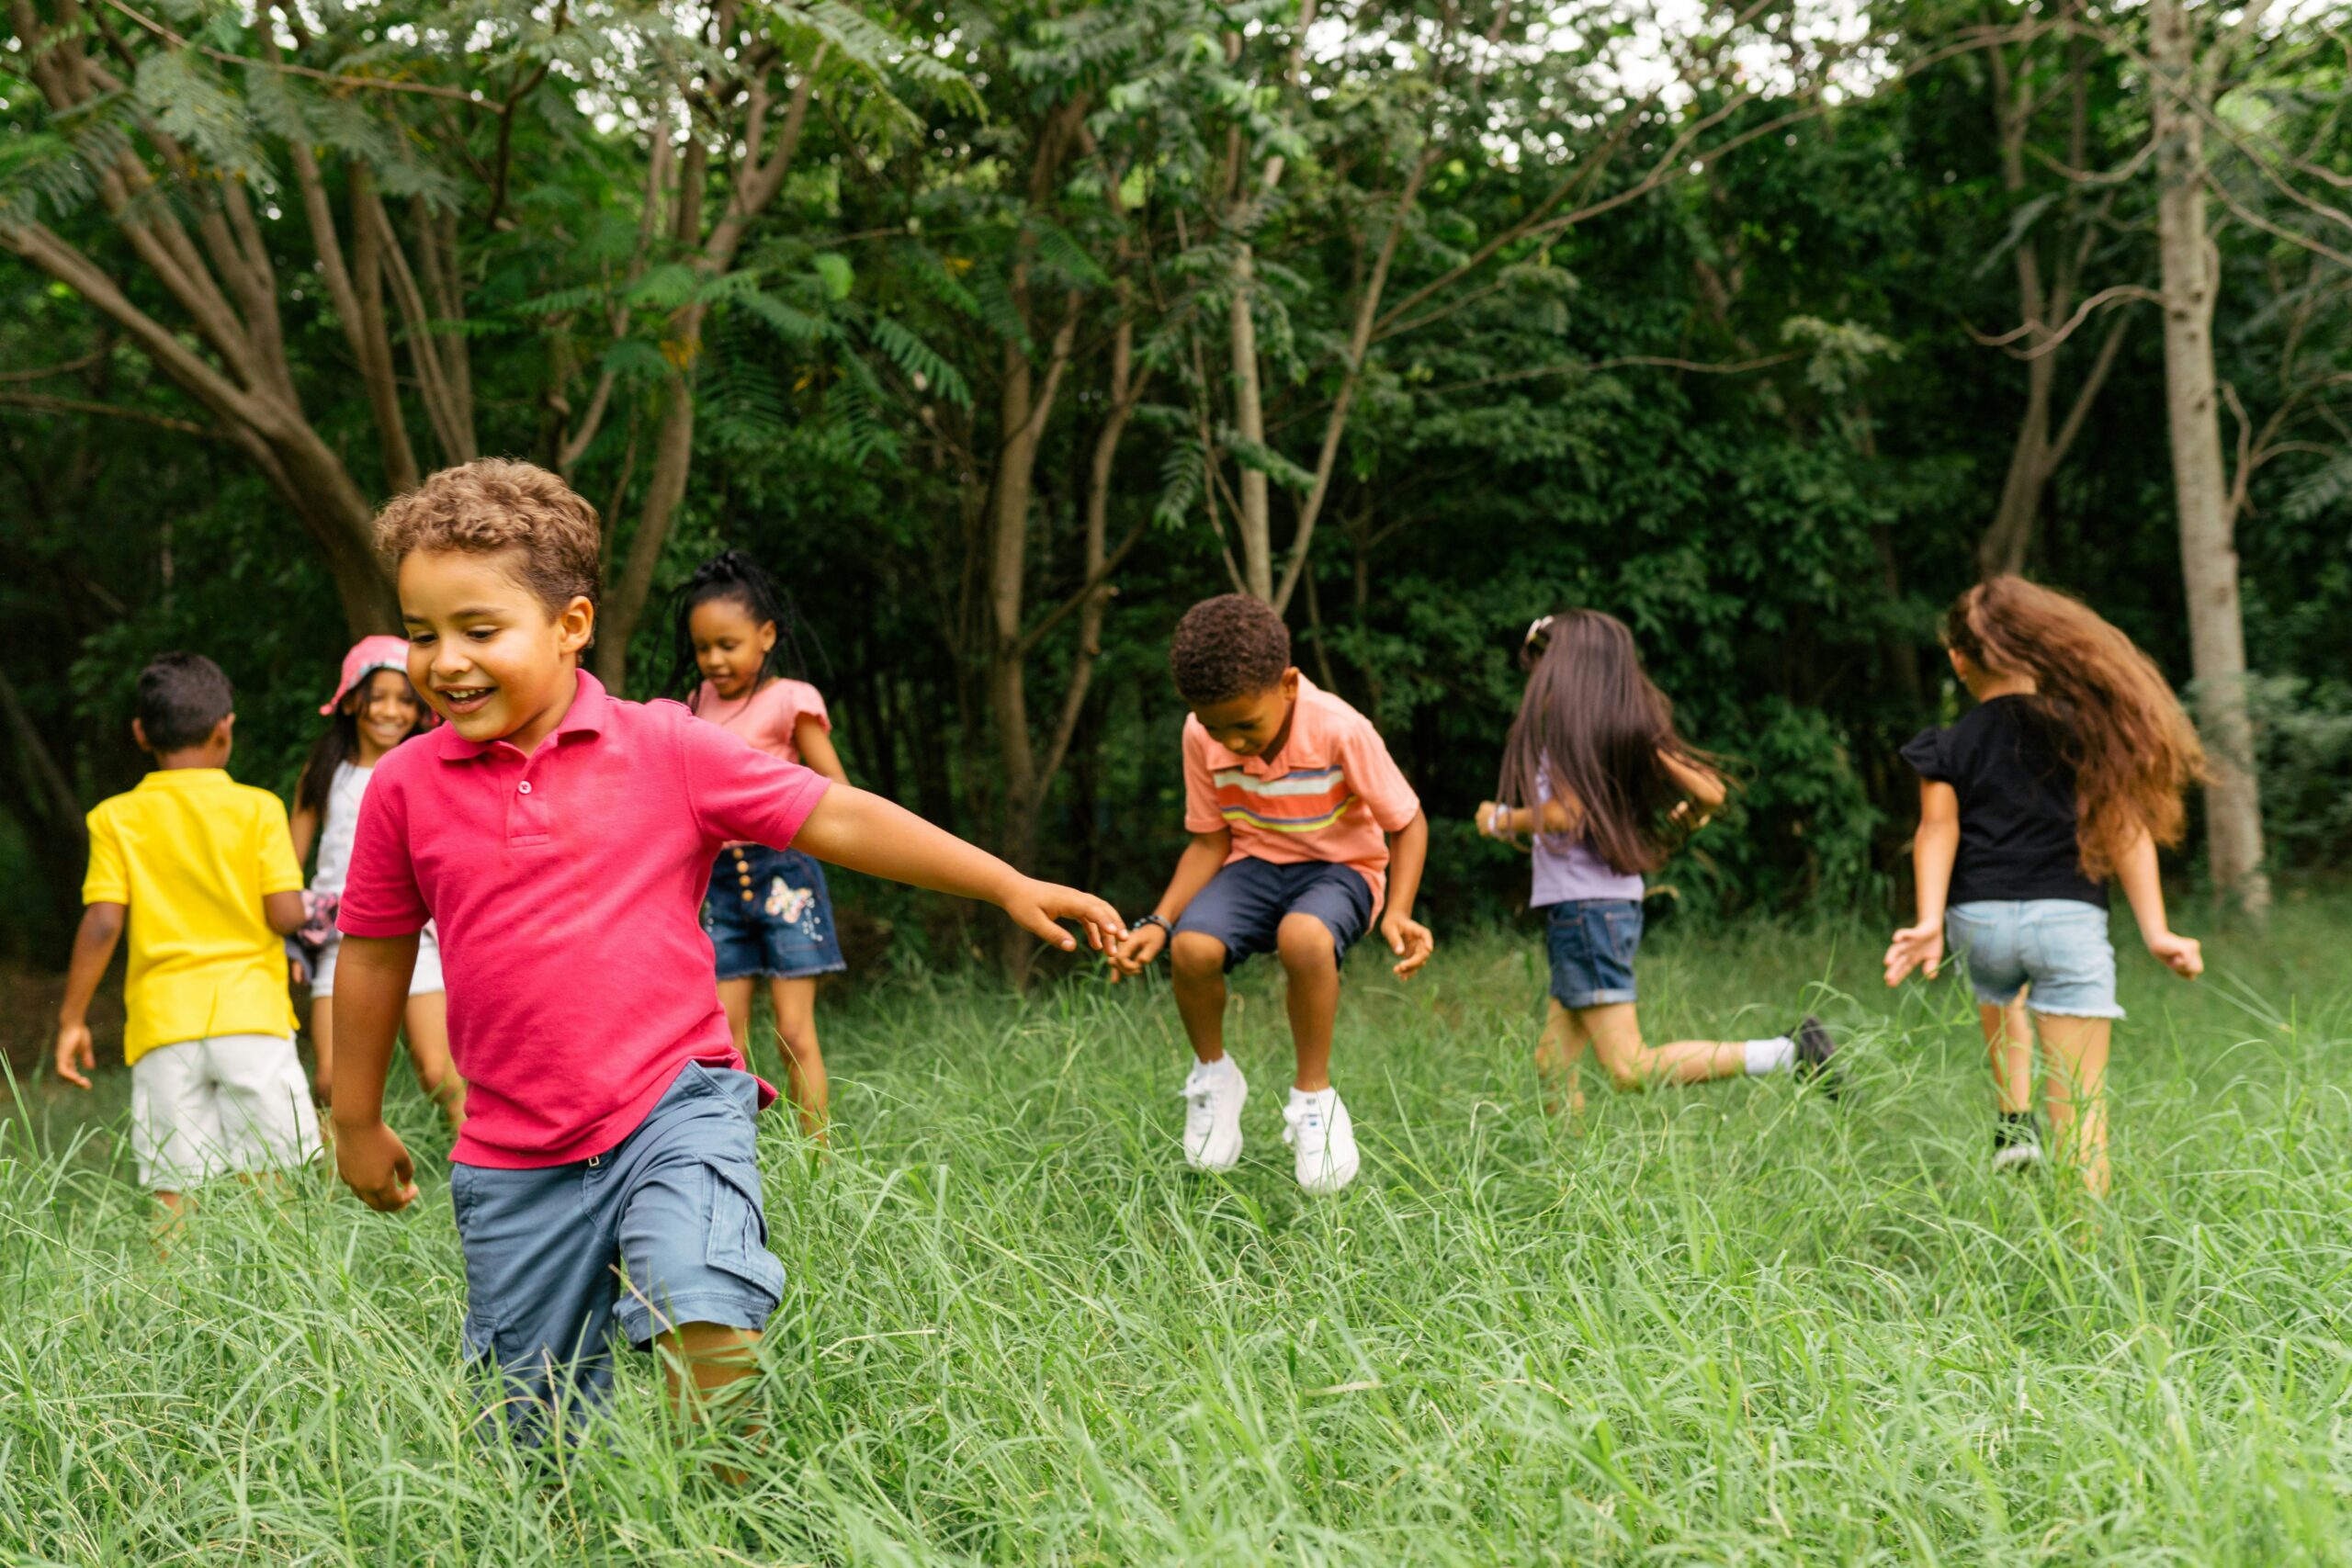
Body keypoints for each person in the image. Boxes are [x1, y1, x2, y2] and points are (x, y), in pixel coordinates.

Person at [330, 458, 1123, 1439]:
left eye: (478, 631)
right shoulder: (403, 789)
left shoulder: (665, 747)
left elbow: (835, 817)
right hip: (510, 1156)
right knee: (531, 1435)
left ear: (571, 625)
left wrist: (1005, 880)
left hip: (674, 1102)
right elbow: (371, 955)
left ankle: (729, 1511)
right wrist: (356, 1117)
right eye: (421, 634)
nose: (443, 661)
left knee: (703, 1305)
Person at [1884, 576, 2204, 1196]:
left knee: (2002, 985)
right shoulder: (2085, 731)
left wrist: (1927, 921)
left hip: (1978, 925)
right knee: (2083, 1120)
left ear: (1958, 659)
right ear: (2042, 651)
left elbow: (1936, 831)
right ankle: (2081, 1263)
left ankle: (2012, 1120)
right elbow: (2127, 832)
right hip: (2067, 922)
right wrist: (2158, 930)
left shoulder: (1949, 743)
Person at [1108, 593, 1432, 1194]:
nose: (1229, 743)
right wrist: (1159, 918)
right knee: (1191, 948)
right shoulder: (1199, 734)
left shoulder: (1339, 728)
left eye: (1245, 725)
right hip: (1254, 865)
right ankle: (1215, 1077)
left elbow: (1406, 821)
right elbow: (1209, 843)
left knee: (1302, 936)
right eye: (1213, 727)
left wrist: (1400, 910)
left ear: (1288, 684)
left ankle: (1315, 1099)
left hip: (1341, 869)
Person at [1476, 612, 1837, 1114]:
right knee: (1552, 1063)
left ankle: (1788, 1053)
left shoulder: (1571, 733)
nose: (1538, 682)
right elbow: (1710, 791)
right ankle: (1568, 1183)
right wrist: (1683, 818)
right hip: (1598, 909)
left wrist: (1500, 820)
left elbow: (1566, 813)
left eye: (1543, 667)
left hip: (1585, 912)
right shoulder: (1618, 730)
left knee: (1629, 1067)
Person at [51, 653, 319, 1214]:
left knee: (175, 1182)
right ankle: (280, 1289)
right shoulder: (259, 810)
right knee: (272, 1172)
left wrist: (72, 1018)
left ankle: (174, 1297)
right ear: (226, 727)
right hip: (252, 1016)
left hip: (163, 1023)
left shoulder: (115, 818)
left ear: (141, 733)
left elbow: (103, 922)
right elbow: (284, 915)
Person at [671, 552, 850, 1136]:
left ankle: (819, 1163)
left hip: (785, 875)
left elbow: (836, 791)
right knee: (726, 1031)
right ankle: (730, 1156)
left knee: (795, 1032)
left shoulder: (790, 699)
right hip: (716, 882)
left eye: (728, 644)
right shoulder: (694, 707)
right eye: (704, 648)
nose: (714, 660)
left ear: (765, 635)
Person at [289, 637, 463, 1131]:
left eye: (406, 699)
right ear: (349, 700)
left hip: (420, 936)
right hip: (338, 937)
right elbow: (287, 862)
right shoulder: (324, 771)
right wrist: (288, 937)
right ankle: (329, 1195)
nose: (392, 711)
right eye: (379, 696)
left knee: (440, 1072)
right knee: (330, 1080)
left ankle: (479, 1173)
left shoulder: (428, 769)